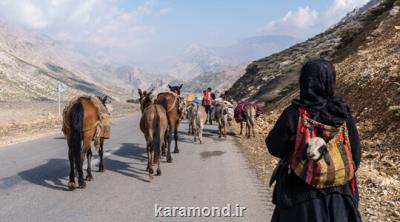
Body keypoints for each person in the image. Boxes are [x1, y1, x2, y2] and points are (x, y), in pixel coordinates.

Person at [266, 59, 362, 222]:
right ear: (330, 81)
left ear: (304, 81)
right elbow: (356, 158)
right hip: (339, 199)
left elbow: (275, 147)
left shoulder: (294, 113)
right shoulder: (342, 114)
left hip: (299, 197)